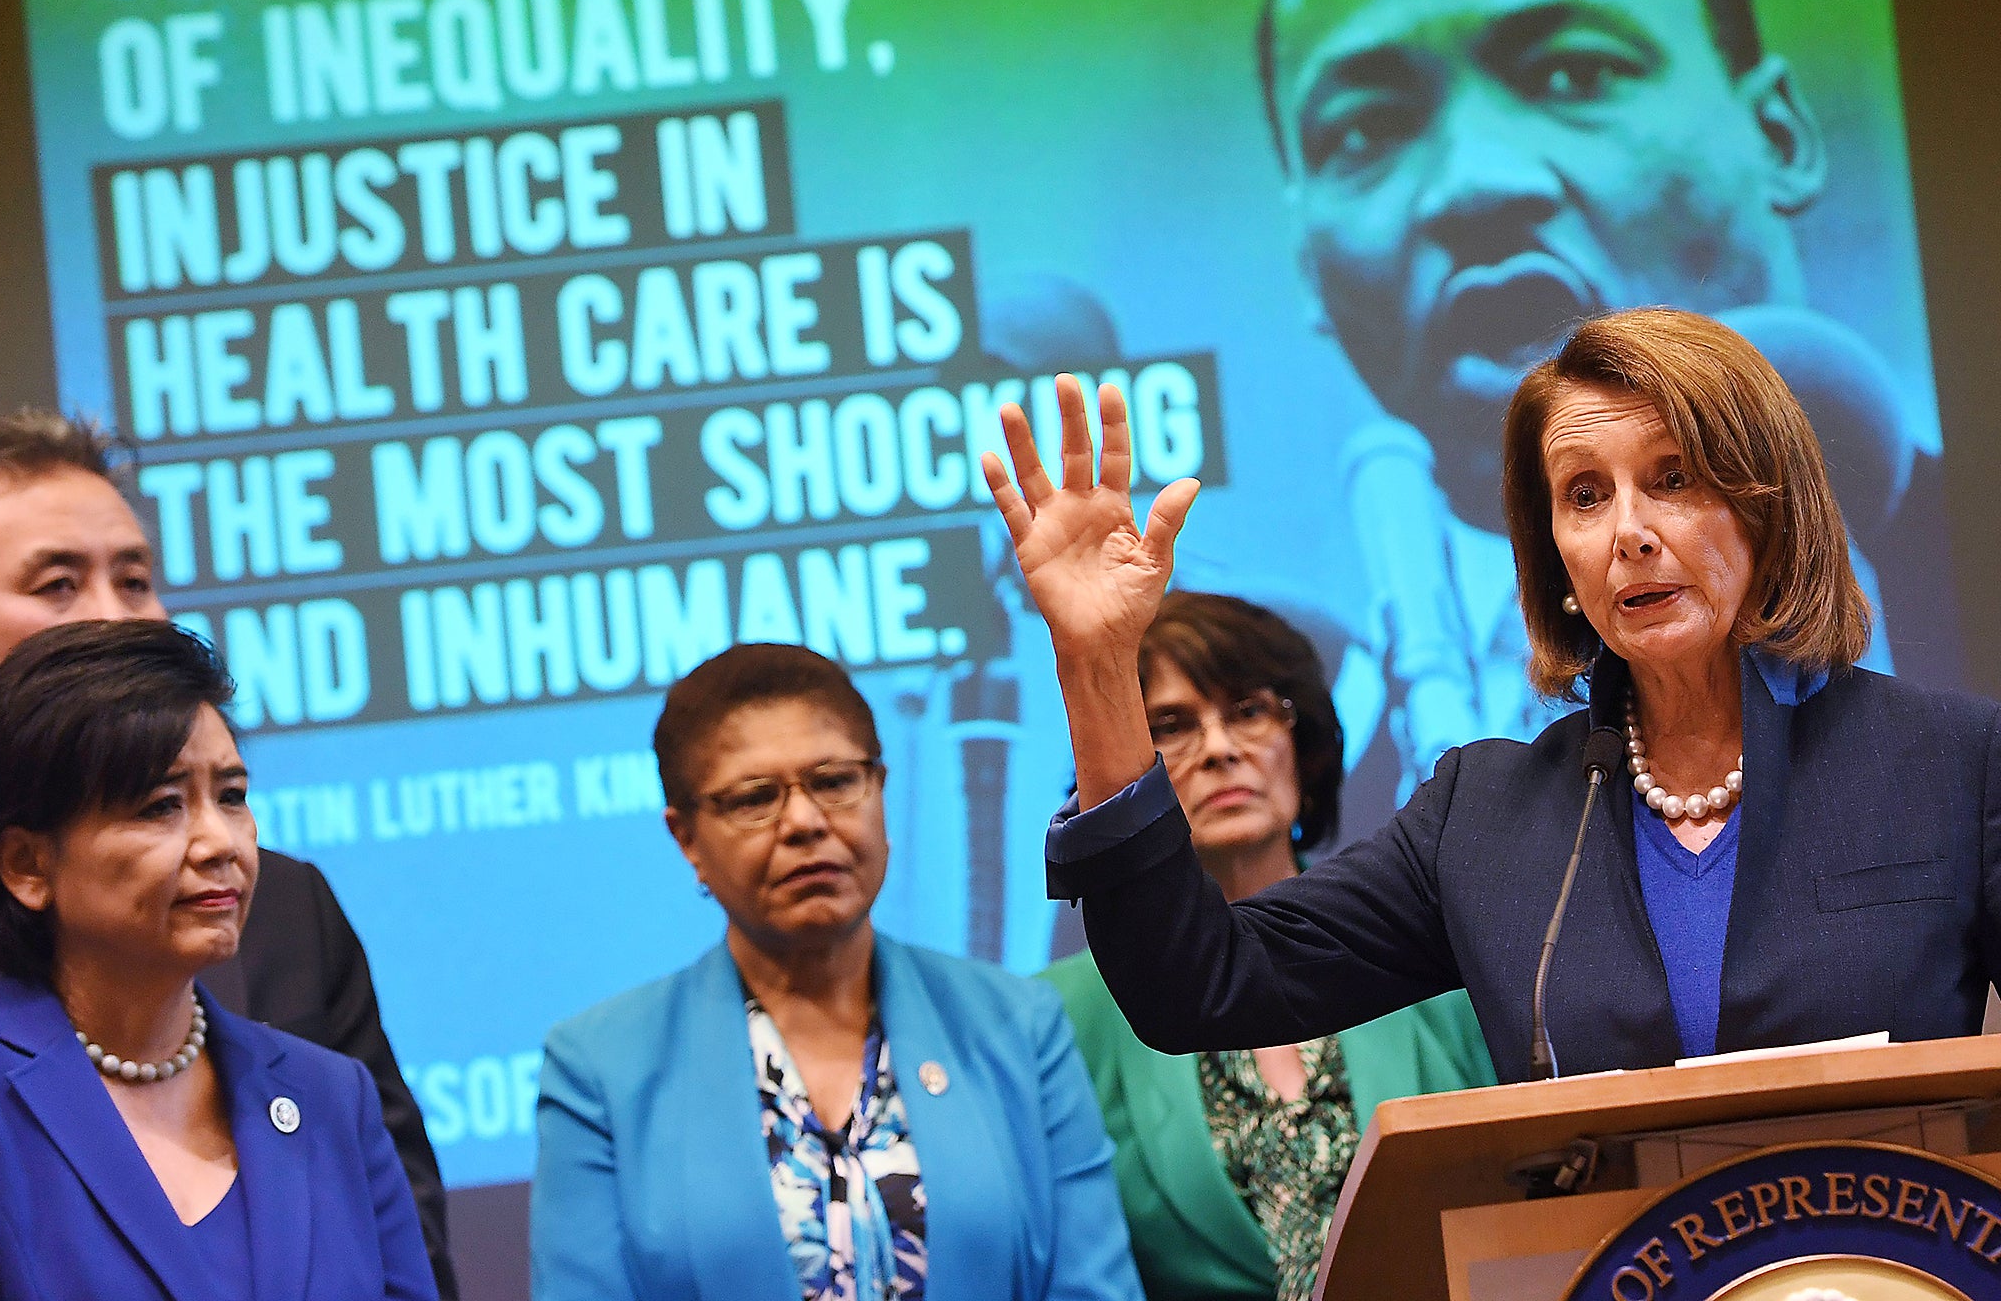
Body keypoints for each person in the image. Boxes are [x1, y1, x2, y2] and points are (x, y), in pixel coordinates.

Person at [985, 309, 2000, 1084]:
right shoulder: (1486, 819)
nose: (1627, 533)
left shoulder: (1949, 763)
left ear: (1766, 504)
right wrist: (1094, 661)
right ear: (1554, 555)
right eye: (1584, 495)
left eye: (1673, 477)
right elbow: (1198, 985)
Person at [1252, 0, 1940, 804]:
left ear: (1779, 137)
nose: (1471, 184)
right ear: (1308, 267)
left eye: (1574, 73)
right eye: (1364, 131)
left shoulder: (1961, 571)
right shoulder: (1288, 807)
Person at [0, 409, 457, 1296]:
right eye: (59, 585)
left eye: (136, 578)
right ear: (23, 867)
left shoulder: (291, 921)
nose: (113, 621)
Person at [532, 642, 1144, 1301]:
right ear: (686, 839)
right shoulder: (601, 1069)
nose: (804, 821)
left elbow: (1092, 1285)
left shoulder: (1018, 1026)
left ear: (878, 790)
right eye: (754, 798)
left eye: (833, 781)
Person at [1041, 591, 1493, 1301]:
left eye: (1248, 712)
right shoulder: (1058, 1017)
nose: (1220, 749)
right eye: (1171, 725)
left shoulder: (1444, 960)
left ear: (1302, 745)